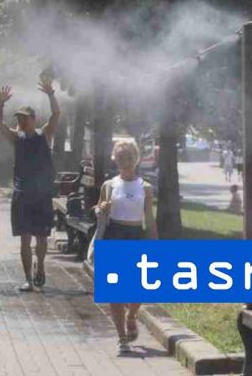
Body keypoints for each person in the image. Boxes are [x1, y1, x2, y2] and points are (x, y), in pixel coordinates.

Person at [0, 78, 60, 292]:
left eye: (24, 118)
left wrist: (51, 94)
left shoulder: (44, 134)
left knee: (41, 237)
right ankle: (28, 280)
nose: (21, 121)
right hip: (22, 194)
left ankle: (40, 266)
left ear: (33, 119)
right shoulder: (17, 137)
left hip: (42, 194)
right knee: (24, 239)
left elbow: (56, 114)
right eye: (19, 118)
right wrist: (0, 104)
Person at [96, 140, 158, 354]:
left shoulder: (145, 187)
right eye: (121, 157)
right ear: (115, 159)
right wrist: (101, 208)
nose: (126, 161)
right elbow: (99, 210)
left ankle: (131, 315)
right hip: (114, 235)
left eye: (129, 157)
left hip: (135, 236)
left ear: (137, 159)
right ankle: (122, 338)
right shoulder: (109, 185)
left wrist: (155, 242)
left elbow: (149, 218)